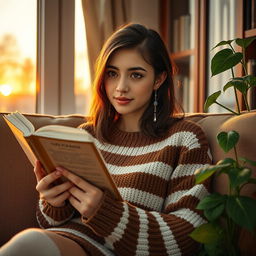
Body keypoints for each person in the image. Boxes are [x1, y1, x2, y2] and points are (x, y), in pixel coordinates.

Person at [0, 23, 211, 256]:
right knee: (30, 243)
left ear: (159, 80)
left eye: (136, 75)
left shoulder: (185, 139)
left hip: (108, 251)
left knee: (30, 244)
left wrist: (106, 212)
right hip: (61, 241)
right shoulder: (86, 135)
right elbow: (50, 223)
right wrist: (53, 202)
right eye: (112, 73)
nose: (121, 87)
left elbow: (189, 236)